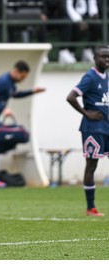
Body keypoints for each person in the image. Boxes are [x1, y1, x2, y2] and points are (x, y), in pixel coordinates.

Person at [0, 61, 46, 188]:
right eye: (23, 76)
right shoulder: (3, 81)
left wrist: (33, 91)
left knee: (4, 143)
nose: (23, 79)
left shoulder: (11, 84)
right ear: (16, 71)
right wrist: (3, 110)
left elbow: (16, 94)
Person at [66, 45, 109, 217]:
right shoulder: (90, 77)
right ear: (95, 57)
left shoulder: (106, 76)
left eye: (108, 57)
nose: (106, 60)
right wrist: (87, 113)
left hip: (106, 126)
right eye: (103, 57)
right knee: (92, 165)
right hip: (93, 128)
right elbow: (71, 97)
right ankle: (90, 207)